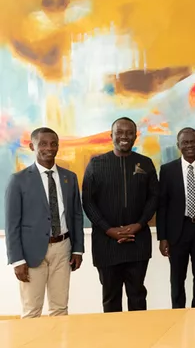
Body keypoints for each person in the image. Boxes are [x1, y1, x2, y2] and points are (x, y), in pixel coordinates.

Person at [5, 127, 84, 318]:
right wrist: (17, 260)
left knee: (60, 309)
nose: (49, 148)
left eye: (53, 143)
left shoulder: (69, 178)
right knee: (32, 311)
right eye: (43, 144)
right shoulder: (18, 180)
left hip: (62, 250)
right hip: (31, 255)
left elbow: (76, 215)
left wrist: (77, 249)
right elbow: (11, 224)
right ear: (32, 146)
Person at [82, 117, 158, 312]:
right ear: (111, 136)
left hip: (138, 242)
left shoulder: (146, 163)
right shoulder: (96, 164)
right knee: (110, 298)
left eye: (129, 133)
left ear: (135, 136)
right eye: (120, 132)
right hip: (106, 244)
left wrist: (140, 224)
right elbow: (88, 202)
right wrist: (109, 230)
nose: (124, 136)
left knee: (138, 296)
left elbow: (154, 198)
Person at [157, 127, 195, 308]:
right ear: (178, 145)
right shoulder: (167, 170)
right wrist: (162, 237)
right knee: (177, 278)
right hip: (177, 231)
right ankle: (178, 314)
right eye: (185, 143)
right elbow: (162, 206)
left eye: (192, 142)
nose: (189, 146)